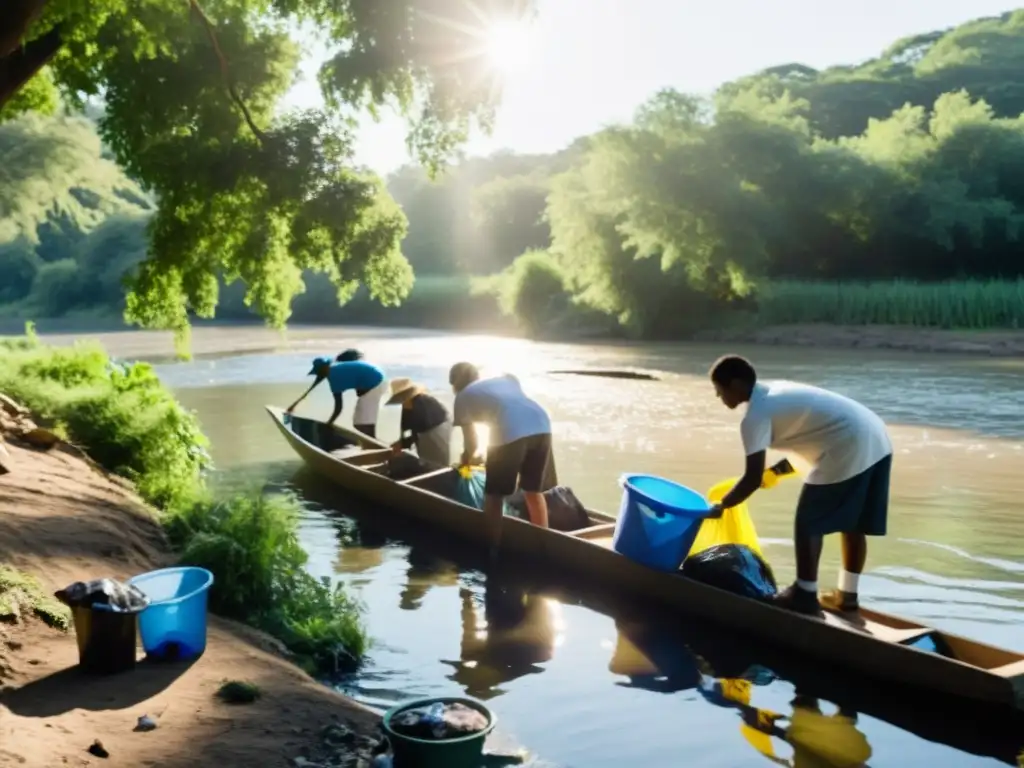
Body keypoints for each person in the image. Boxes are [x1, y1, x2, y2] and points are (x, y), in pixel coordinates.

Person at [708, 355, 893, 616]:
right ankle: (847, 597)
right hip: (876, 435)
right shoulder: (776, 393)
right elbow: (811, 439)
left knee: (809, 521)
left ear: (736, 385)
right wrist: (775, 472)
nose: (719, 397)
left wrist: (722, 505)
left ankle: (804, 595)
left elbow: (750, 479)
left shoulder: (755, 417)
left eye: (720, 390)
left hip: (848, 442)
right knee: (853, 523)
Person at [449, 362, 552, 554]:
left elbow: (470, 444)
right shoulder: (505, 379)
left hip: (511, 430)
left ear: (454, 383)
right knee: (533, 490)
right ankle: (543, 544)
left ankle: (493, 547)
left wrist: (465, 461)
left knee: (494, 495)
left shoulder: (462, 398)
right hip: (542, 424)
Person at [286, 349, 388, 437]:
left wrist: (328, 424)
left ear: (323, 369)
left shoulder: (334, 377)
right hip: (378, 379)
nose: (319, 375)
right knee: (360, 424)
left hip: (375, 383)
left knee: (362, 425)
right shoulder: (333, 369)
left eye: (318, 372)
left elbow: (338, 408)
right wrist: (295, 404)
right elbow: (316, 382)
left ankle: (377, 451)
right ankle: (374, 447)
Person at [386, 377, 453, 466]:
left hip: (439, 426)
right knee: (425, 457)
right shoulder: (406, 405)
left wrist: (402, 444)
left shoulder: (422, 404)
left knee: (436, 458)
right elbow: (404, 427)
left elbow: (419, 431)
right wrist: (400, 442)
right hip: (425, 428)